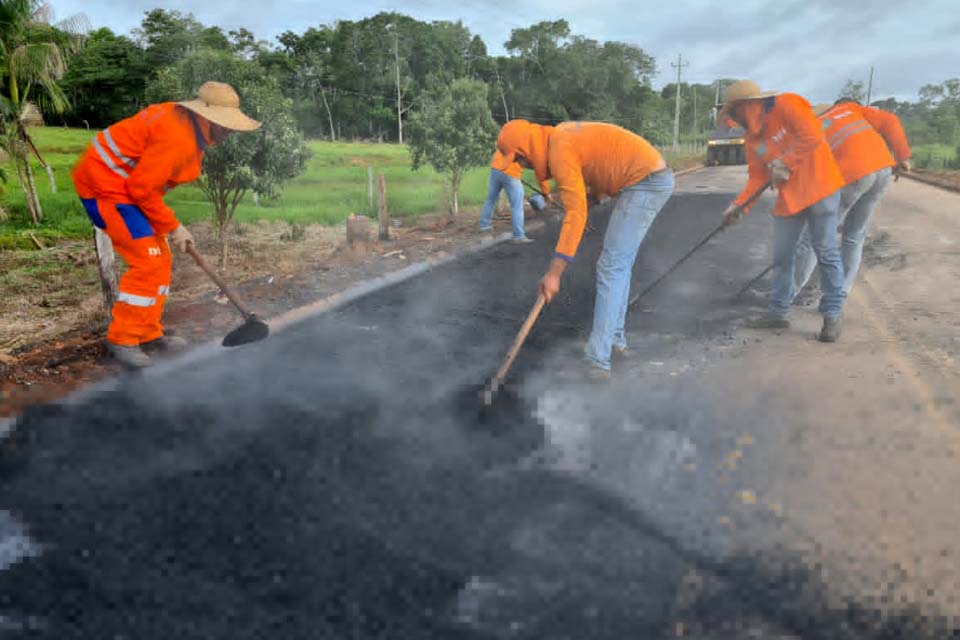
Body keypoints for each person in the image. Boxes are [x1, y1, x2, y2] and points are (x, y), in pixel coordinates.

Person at [72, 81, 262, 368]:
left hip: (128, 188)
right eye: (226, 126)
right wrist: (174, 227)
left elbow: (146, 185)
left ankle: (147, 332)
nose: (229, 133)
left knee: (161, 258)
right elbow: (142, 189)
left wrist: (168, 226)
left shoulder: (186, 125)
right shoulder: (178, 138)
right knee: (147, 261)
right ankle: (122, 339)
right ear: (205, 118)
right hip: (106, 187)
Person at [496, 119, 674, 380]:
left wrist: (554, 273)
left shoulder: (560, 151)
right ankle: (614, 340)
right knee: (617, 264)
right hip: (645, 178)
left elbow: (575, 215)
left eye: (521, 161)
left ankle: (598, 361)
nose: (524, 167)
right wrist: (591, 200)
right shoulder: (560, 136)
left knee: (612, 265)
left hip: (646, 182)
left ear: (526, 150)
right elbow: (603, 168)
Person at [718, 80, 847, 342]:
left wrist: (785, 161)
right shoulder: (753, 140)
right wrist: (739, 206)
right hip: (790, 199)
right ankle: (777, 313)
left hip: (821, 188)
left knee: (825, 251)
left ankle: (832, 314)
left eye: (734, 113)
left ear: (749, 105)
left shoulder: (788, 104)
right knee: (781, 255)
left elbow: (812, 135)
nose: (734, 120)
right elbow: (757, 178)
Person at [792, 100, 912, 299]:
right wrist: (903, 156)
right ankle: (838, 294)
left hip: (854, 175)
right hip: (882, 170)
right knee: (854, 236)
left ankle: (785, 296)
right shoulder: (852, 109)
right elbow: (891, 120)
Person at [478, 149, 550, 244]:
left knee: (490, 200)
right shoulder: (532, 144)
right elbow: (540, 171)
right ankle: (518, 236)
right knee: (517, 205)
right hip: (511, 173)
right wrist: (546, 193)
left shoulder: (512, 136)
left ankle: (485, 228)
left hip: (495, 169)